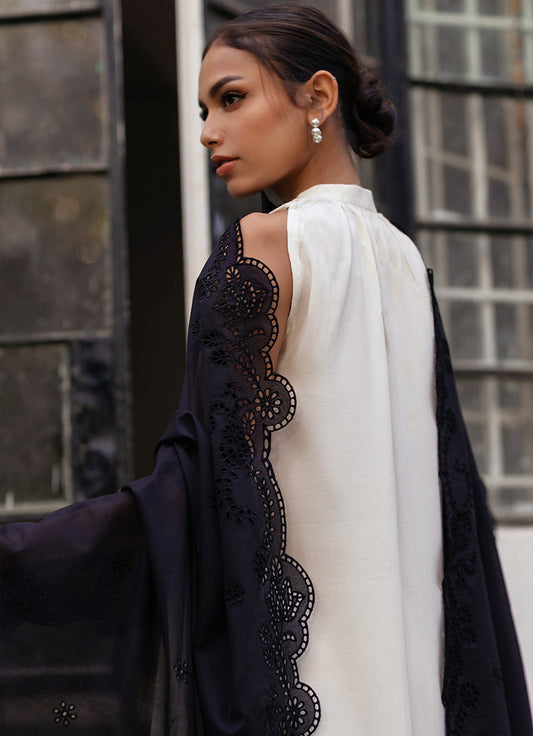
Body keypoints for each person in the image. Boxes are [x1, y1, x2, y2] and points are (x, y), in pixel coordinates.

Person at [1, 4, 531, 735]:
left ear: (318, 96)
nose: (207, 131)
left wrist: (24, 559)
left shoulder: (263, 247)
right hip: (415, 700)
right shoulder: (407, 261)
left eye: (232, 98)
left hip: (305, 696)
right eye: (204, 110)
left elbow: (196, 489)